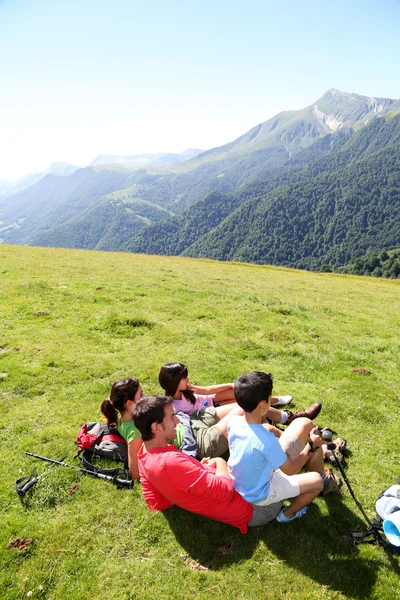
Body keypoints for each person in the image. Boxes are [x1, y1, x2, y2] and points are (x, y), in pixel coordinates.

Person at [133, 395, 284, 532]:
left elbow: (156, 502)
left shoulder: (144, 454)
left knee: (269, 433)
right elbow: (226, 491)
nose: (178, 421)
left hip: (245, 493)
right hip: (256, 506)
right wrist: (220, 462)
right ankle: (307, 444)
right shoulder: (169, 462)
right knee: (294, 438)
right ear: (156, 427)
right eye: (172, 417)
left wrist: (197, 470)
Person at [227, 372, 341, 524]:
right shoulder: (266, 441)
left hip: (246, 483)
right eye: (270, 398)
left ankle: (321, 463)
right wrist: (311, 446)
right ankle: (287, 514)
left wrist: (274, 430)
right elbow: (290, 470)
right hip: (261, 496)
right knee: (316, 482)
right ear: (262, 405)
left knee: (304, 424)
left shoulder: (234, 422)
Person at [158, 362, 321, 426]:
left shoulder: (186, 388)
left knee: (237, 391)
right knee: (244, 403)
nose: (188, 379)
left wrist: (230, 386)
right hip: (209, 412)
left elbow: (206, 390)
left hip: (211, 401)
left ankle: (274, 400)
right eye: (184, 377)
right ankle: (290, 418)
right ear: (174, 382)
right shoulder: (173, 405)